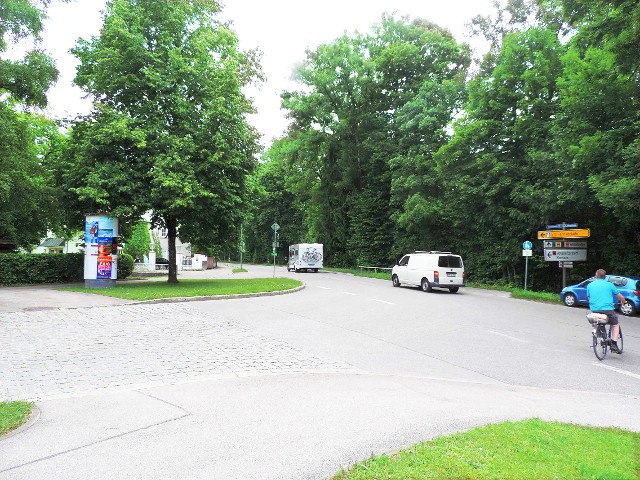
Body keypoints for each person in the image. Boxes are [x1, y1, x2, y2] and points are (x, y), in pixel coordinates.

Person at [587, 269, 626, 353]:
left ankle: (598, 331)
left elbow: (589, 298)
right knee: (615, 324)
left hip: (595, 309)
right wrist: (623, 302)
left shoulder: (590, 285)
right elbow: (620, 296)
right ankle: (614, 344)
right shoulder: (610, 285)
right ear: (605, 277)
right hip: (607, 309)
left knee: (597, 320)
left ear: (596, 276)